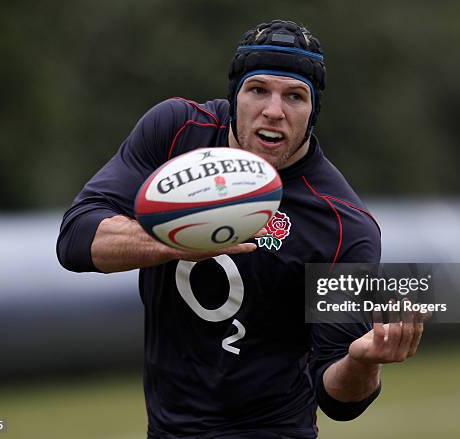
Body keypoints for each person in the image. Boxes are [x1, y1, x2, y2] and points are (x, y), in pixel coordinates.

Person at [57, 20, 424, 439]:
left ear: (313, 111)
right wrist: (175, 237)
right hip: (167, 429)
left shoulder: (342, 223)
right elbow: (75, 239)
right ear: (235, 96)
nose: (274, 110)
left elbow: (339, 401)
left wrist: (364, 362)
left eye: (295, 96)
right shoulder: (177, 133)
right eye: (258, 90)